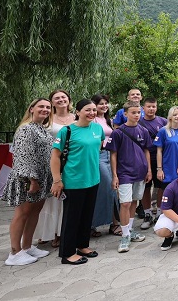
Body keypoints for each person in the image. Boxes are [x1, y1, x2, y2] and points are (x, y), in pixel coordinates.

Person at [50, 99, 105, 265]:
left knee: (86, 215)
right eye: (87, 110)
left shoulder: (98, 128)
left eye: (94, 110)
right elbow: (55, 156)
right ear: (78, 112)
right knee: (72, 218)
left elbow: (97, 149)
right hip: (74, 181)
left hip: (93, 179)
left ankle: (82, 245)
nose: (92, 113)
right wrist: (57, 180)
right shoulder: (67, 131)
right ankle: (67, 253)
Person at [2, 98, 54, 266]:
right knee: (22, 213)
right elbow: (24, 156)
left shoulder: (41, 128)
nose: (45, 109)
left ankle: (26, 246)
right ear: (32, 108)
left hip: (42, 177)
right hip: (28, 178)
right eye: (41, 106)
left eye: (48, 107)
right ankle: (14, 252)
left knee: (34, 212)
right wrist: (32, 179)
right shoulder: (26, 129)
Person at [106, 101, 153, 253]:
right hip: (124, 173)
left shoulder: (143, 131)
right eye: (133, 112)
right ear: (125, 114)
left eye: (139, 112)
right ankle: (124, 235)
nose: (137, 115)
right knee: (125, 203)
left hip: (140, 171)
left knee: (134, 201)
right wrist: (114, 175)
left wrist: (149, 170)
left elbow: (146, 150)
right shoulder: (118, 132)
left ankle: (130, 230)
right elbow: (113, 154)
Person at [35, 89, 73, 248]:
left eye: (63, 97)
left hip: (71, 162)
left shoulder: (76, 118)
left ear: (69, 100)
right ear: (52, 102)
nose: (61, 100)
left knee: (66, 198)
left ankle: (61, 232)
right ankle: (48, 233)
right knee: (52, 198)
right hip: (52, 161)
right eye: (57, 98)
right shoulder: (47, 119)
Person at [154, 106, 178, 220]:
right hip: (168, 166)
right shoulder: (163, 131)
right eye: (175, 115)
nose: (177, 117)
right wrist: (159, 169)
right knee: (165, 190)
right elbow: (159, 151)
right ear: (170, 117)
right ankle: (160, 213)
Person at [90, 94, 118, 237]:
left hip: (110, 155)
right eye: (101, 103)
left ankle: (115, 223)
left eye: (106, 103)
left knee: (113, 188)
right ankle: (93, 224)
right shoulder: (92, 120)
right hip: (98, 155)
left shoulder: (108, 120)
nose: (104, 106)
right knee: (107, 188)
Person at [138, 97, 168, 229]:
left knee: (161, 186)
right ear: (143, 108)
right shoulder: (138, 122)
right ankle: (148, 213)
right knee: (145, 187)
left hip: (160, 159)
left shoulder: (163, 121)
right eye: (148, 106)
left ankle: (160, 213)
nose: (151, 109)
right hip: (143, 159)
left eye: (153, 106)